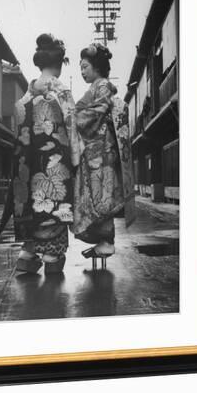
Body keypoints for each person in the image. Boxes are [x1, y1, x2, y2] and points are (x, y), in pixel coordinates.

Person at [12, 33, 80, 274]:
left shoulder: (26, 97)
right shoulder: (61, 93)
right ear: (60, 63)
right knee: (55, 204)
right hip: (55, 164)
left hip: (29, 165)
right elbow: (73, 129)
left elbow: (20, 133)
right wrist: (76, 160)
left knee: (33, 205)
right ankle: (51, 257)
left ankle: (27, 254)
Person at [71, 43, 135, 268]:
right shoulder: (98, 86)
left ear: (96, 66)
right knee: (95, 195)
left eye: (85, 66)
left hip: (102, 151)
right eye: (80, 67)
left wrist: (75, 116)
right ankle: (102, 240)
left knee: (101, 195)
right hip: (95, 151)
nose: (82, 71)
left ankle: (106, 241)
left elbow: (94, 113)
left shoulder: (103, 86)